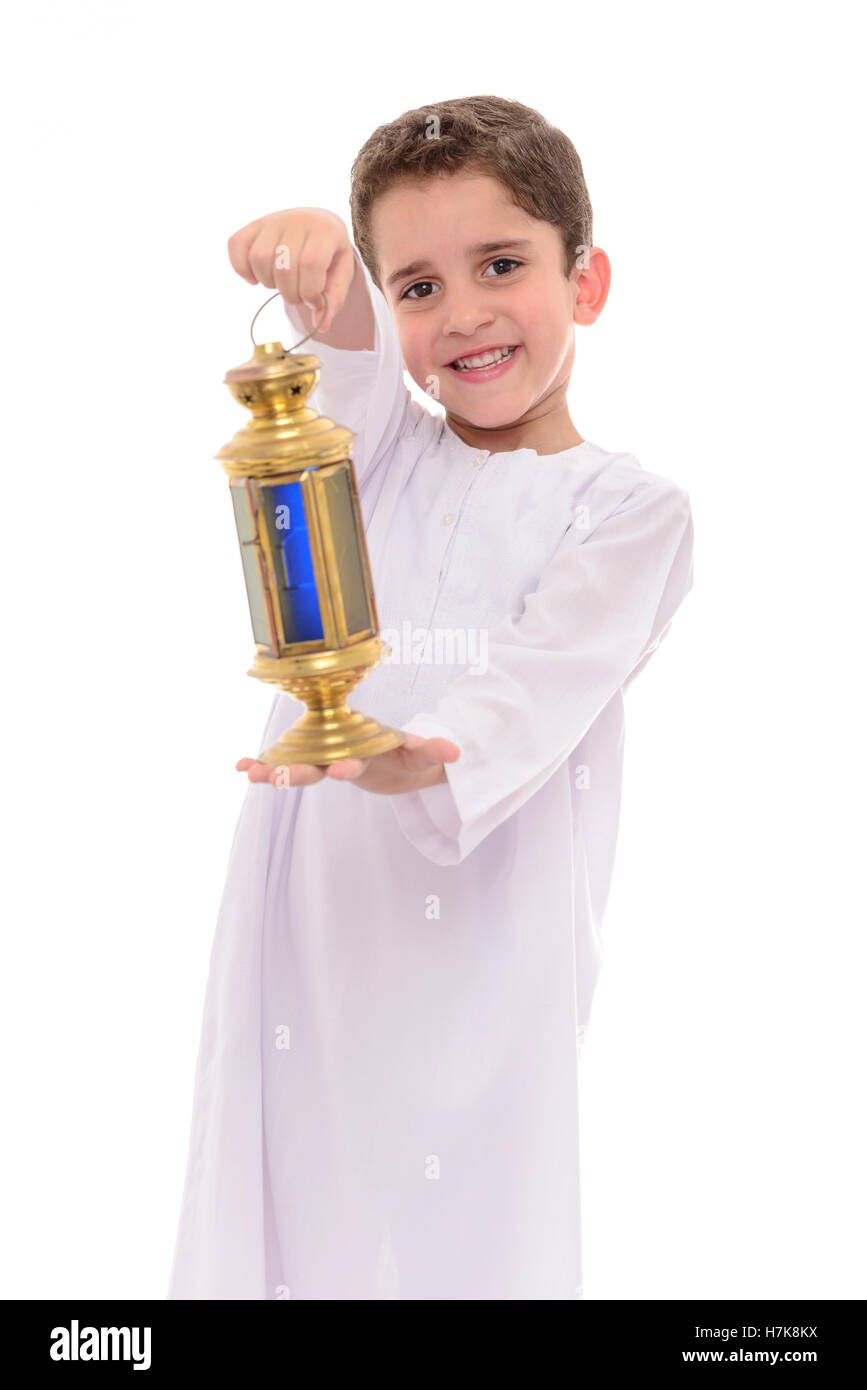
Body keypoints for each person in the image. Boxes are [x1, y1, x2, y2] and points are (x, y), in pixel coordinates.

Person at [167, 94, 695, 1300]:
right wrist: (323, 254)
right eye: (417, 287)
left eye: (501, 265)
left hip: (490, 905)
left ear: (587, 280)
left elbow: (547, 676)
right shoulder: (389, 451)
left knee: (468, 1209)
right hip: (317, 890)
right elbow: (342, 356)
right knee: (299, 1178)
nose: (461, 315)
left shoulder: (624, 510)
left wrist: (423, 753)